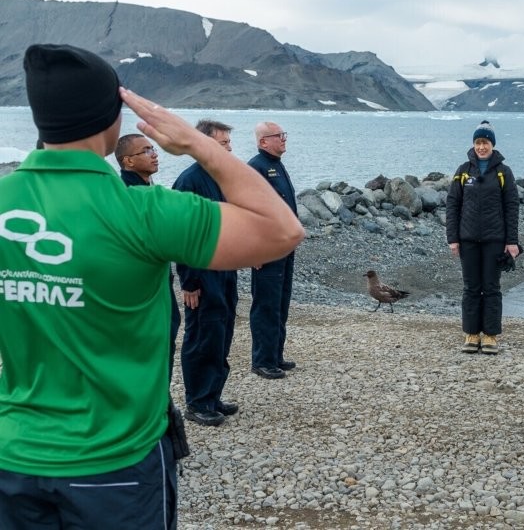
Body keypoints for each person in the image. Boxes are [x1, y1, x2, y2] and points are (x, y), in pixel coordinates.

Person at [0, 44, 304, 529]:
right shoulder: (142, 210)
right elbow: (282, 232)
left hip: (13, 455)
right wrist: (198, 146)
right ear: (112, 119)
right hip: (113, 461)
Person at [172, 120, 241, 426]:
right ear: (204, 144)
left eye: (228, 143)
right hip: (202, 273)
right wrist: (188, 281)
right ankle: (198, 402)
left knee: (221, 333)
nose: (229, 148)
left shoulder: (222, 178)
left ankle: (212, 394)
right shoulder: (189, 181)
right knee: (202, 335)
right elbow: (181, 235)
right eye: (223, 143)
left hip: (225, 269)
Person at [446, 120, 519, 355]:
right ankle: (471, 334)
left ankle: (489, 336)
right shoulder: (463, 171)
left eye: (485, 142)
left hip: (494, 240)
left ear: (492, 145)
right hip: (467, 240)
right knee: (470, 288)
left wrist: (512, 241)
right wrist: (453, 238)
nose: (481, 147)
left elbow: (511, 206)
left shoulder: (502, 172)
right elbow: (452, 204)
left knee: (491, 288)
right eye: (478, 142)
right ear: (473, 144)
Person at [116, 133, 182, 379]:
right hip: (140, 292)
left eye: (153, 149)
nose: (154, 154)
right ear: (128, 161)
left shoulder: (149, 189)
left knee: (165, 344)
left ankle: (161, 401)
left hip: (161, 284)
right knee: (146, 350)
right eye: (145, 151)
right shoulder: (126, 195)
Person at [248, 121, 300, 380]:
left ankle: (275, 354)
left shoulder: (276, 166)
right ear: (263, 141)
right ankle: (262, 360)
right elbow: (248, 211)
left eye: (283, 134)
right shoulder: (256, 167)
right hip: (267, 249)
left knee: (280, 303)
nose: (283, 139)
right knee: (266, 305)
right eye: (278, 136)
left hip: (284, 246)